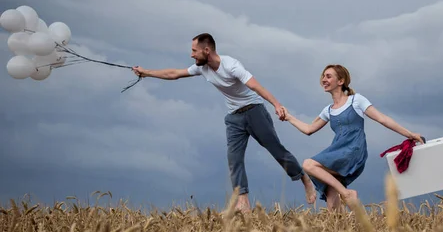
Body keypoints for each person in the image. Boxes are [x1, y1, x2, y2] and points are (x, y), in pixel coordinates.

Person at [131, 33, 316, 212]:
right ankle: (243, 202)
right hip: (234, 117)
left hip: (254, 110)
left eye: (194, 50)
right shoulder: (202, 68)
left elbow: (255, 86)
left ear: (206, 50)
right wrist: (145, 72)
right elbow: (174, 73)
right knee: (234, 160)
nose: (191, 54)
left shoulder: (231, 66)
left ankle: (303, 179)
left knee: (276, 150)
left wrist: (277, 105)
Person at [282, 64, 424, 212]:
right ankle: (356, 227)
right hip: (336, 152)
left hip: (353, 150)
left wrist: (410, 134)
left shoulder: (356, 100)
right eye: (323, 76)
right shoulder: (328, 110)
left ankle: (346, 193)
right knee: (332, 205)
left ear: (341, 81)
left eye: (328, 76)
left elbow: (382, 119)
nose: (324, 79)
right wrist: (289, 117)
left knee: (308, 165)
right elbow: (309, 129)